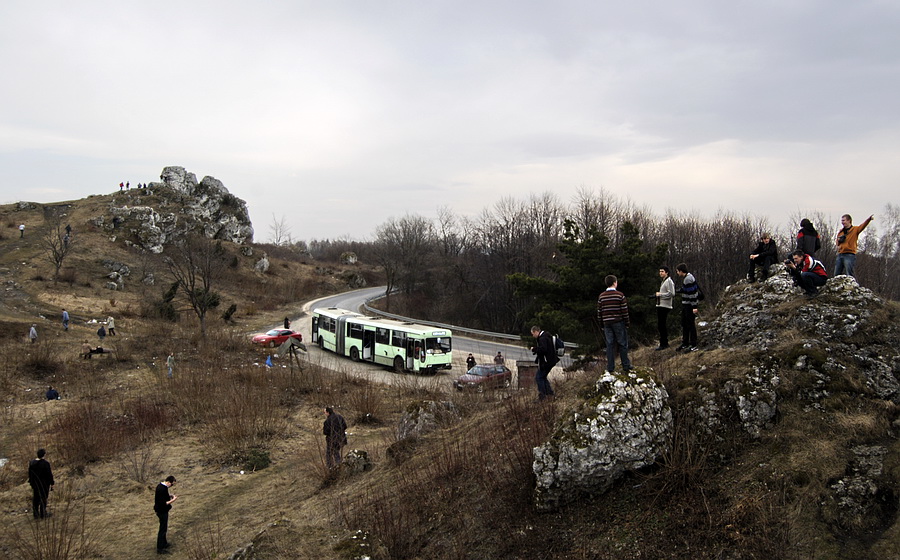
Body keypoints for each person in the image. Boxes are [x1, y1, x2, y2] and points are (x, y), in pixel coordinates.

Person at [597, 275, 632, 373]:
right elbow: (624, 311)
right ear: (614, 283)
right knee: (622, 343)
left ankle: (610, 367)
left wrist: (602, 324)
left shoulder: (601, 296)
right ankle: (626, 365)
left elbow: (599, 312)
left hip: (607, 322)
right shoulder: (620, 295)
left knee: (610, 345)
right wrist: (627, 322)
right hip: (618, 321)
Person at [675, 263, 699, 352]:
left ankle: (693, 344)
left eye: (677, 271)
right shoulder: (688, 278)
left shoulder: (688, 279)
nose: (677, 273)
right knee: (684, 323)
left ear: (681, 271)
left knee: (690, 324)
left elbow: (692, 294)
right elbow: (686, 290)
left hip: (689, 305)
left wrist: (694, 307)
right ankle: (685, 342)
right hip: (686, 304)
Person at [530, 326, 559, 401]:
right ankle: (550, 394)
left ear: (536, 331)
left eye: (533, 334)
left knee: (539, 378)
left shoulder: (542, 338)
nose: (533, 336)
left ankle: (542, 396)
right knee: (543, 377)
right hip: (551, 360)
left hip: (546, 362)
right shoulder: (547, 335)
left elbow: (543, 349)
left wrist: (534, 349)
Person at [28, 448, 54, 519]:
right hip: (44, 484)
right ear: (44, 455)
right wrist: (52, 483)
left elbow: (30, 474)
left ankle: (35, 514)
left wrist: (31, 482)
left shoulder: (32, 463)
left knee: (36, 499)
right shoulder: (45, 464)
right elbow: (49, 474)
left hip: (35, 484)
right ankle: (43, 514)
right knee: (43, 498)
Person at [154, 475, 177, 554]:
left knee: (164, 527)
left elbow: (163, 497)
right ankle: (160, 548)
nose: (172, 485)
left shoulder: (162, 486)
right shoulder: (162, 489)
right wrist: (173, 500)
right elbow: (164, 503)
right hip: (161, 511)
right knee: (162, 529)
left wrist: (169, 496)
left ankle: (164, 543)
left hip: (162, 510)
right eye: (172, 484)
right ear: (168, 482)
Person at [655, 266, 675, 350]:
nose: (660, 273)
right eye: (660, 271)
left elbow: (672, 293)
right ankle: (662, 342)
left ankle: (664, 343)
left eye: (662, 271)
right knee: (660, 325)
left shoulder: (669, 281)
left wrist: (660, 295)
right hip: (660, 305)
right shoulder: (663, 281)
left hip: (665, 306)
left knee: (662, 325)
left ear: (666, 272)